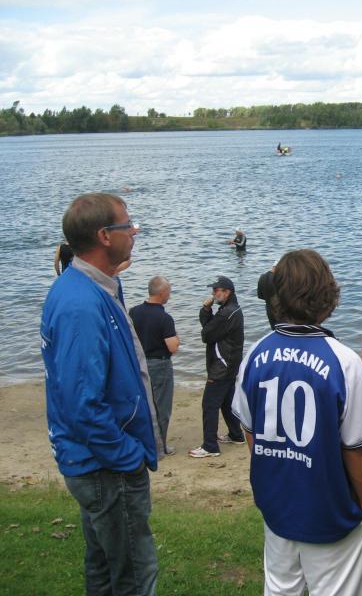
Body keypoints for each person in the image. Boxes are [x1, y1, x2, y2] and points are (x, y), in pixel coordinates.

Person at [232, 249, 362, 595]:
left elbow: (250, 429)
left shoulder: (256, 353)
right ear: (327, 297)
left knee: (281, 586)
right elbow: (353, 448)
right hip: (329, 509)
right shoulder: (344, 361)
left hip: (276, 502)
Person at [40, 192, 160, 595]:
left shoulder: (90, 287)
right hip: (106, 468)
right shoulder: (81, 306)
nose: (135, 231)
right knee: (134, 576)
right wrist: (127, 457)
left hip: (98, 463)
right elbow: (82, 404)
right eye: (128, 225)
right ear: (105, 236)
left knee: (104, 570)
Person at [189, 275, 246, 458]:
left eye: (216, 290)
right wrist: (207, 311)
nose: (213, 293)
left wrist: (205, 309)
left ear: (227, 292)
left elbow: (206, 335)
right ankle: (236, 435)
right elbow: (211, 330)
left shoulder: (226, 313)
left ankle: (210, 446)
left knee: (209, 404)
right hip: (230, 364)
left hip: (222, 366)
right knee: (226, 402)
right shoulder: (230, 310)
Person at [130, 276, 180, 455]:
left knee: (142, 402)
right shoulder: (164, 318)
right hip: (159, 364)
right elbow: (172, 347)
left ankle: (142, 440)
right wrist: (177, 338)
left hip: (138, 362)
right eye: (169, 292)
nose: (170, 295)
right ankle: (160, 446)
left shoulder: (134, 312)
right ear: (162, 293)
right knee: (161, 406)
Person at [257, 259, 279, 330]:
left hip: (269, 309)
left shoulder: (262, 277)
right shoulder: (278, 278)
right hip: (279, 310)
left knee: (274, 330)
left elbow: (260, 296)